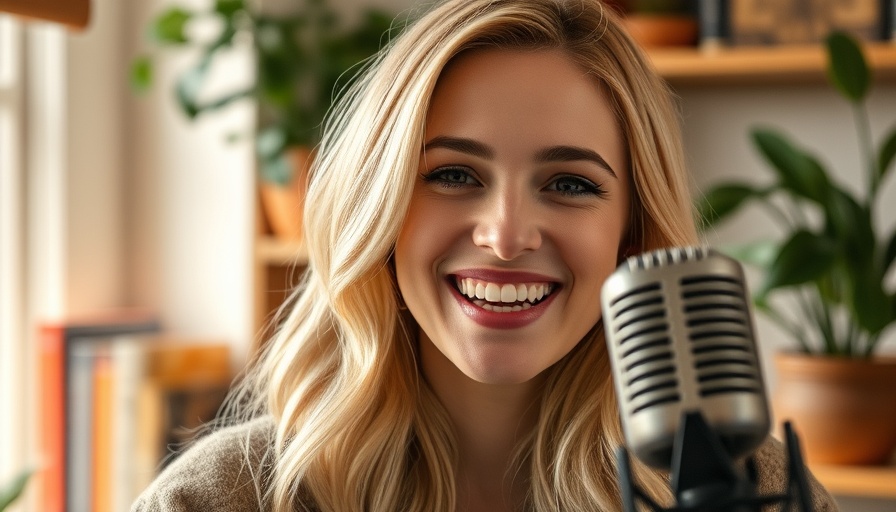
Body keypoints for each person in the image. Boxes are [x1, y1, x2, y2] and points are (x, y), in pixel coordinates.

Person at [133, 1, 838, 511]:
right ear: (381, 212)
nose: (505, 237)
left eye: (569, 184)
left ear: (632, 235)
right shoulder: (221, 499)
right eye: (453, 175)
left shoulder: (760, 491)